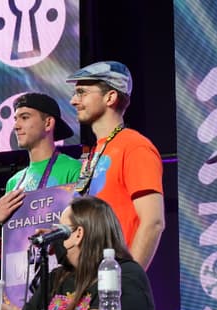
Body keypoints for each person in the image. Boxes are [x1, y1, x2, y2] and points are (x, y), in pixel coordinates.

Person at [66, 60, 165, 271]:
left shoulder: (134, 146)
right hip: (89, 280)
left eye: (82, 92)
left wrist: (128, 281)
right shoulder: (95, 152)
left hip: (115, 285)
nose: (74, 100)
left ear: (110, 97)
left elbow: (153, 222)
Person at [0, 196, 156, 310]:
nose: (55, 237)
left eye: (60, 230)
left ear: (78, 234)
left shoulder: (125, 272)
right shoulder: (57, 277)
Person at [0, 92, 82, 235]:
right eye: (15, 119)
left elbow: (83, 226)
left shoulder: (74, 169)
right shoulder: (13, 182)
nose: (16, 126)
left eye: (24, 117)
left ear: (48, 123)